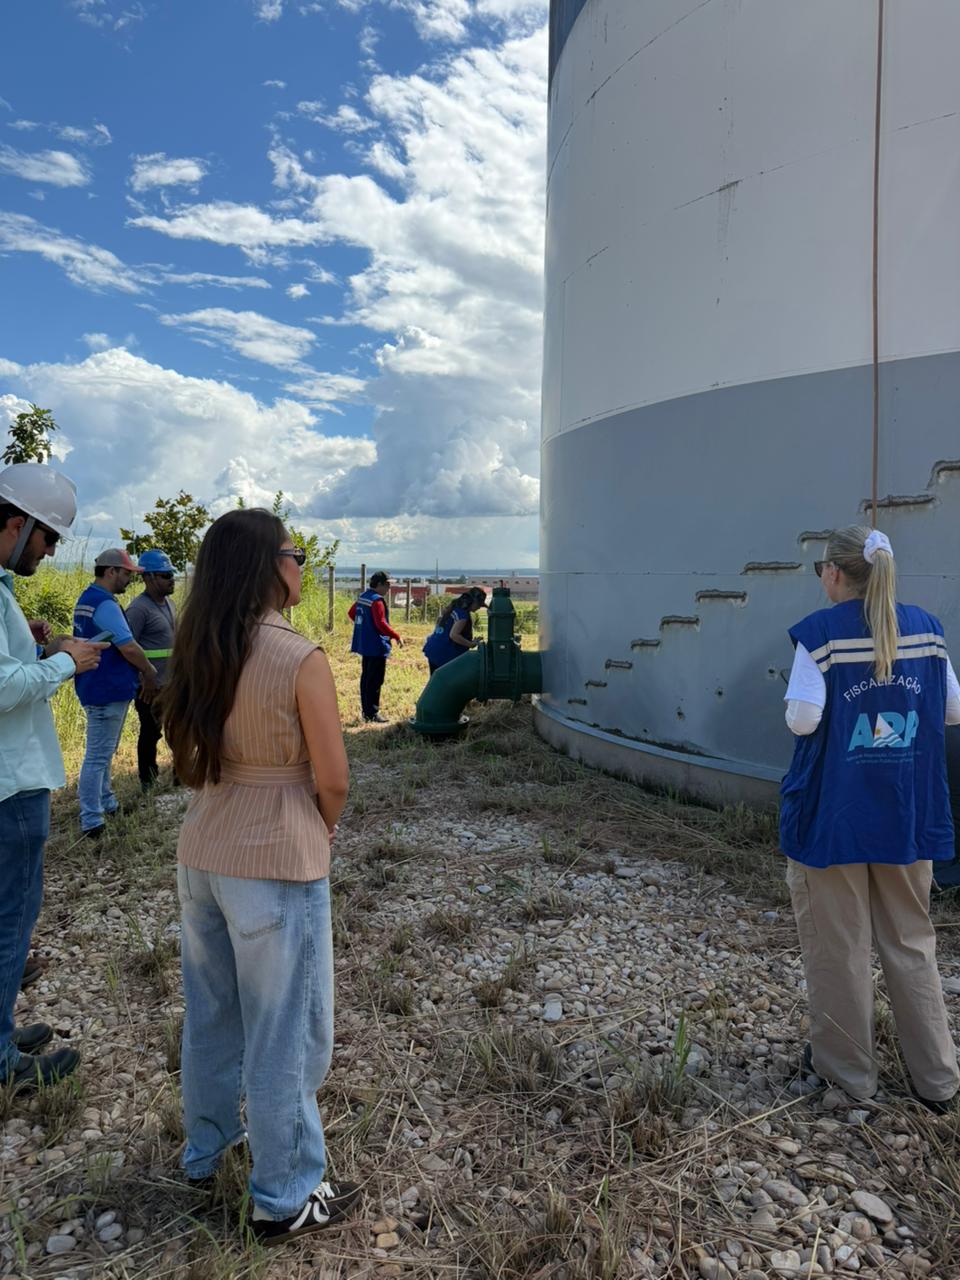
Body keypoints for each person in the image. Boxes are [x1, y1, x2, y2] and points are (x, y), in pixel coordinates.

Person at [163, 508, 359, 1246]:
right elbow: (332, 776)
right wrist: (325, 823)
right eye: (296, 553)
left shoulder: (198, 644)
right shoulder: (297, 657)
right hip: (277, 854)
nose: (302, 566)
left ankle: (206, 1152)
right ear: (271, 565)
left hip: (205, 844)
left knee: (212, 1015)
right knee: (288, 1032)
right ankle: (286, 1193)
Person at [780, 525, 960, 1111]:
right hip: (907, 814)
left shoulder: (821, 637)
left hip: (836, 815)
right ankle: (937, 1081)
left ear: (834, 573)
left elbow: (804, 721)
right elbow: (953, 711)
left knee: (840, 943)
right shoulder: (929, 633)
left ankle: (848, 1076)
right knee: (911, 940)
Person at [0, 463, 106, 1090]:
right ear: (16, 523)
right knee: (13, 915)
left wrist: (35, 649)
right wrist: (64, 662)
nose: (49, 551)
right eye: (47, 539)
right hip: (10, 785)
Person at [73, 549, 158, 838]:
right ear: (111, 572)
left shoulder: (86, 599)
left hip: (96, 685)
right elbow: (129, 646)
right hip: (107, 688)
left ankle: (107, 803)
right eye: (126, 574)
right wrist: (149, 671)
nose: (129, 580)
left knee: (103, 752)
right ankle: (92, 820)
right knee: (98, 756)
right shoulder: (105, 604)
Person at [125, 549, 177, 792]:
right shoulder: (138, 609)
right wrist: (144, 679)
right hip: (150, 687)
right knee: (150, 733)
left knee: (179, 731)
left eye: (171, 575)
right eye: (166, 575)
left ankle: (181, 774)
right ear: (149, 578)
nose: (171, 580)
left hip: (173, 684)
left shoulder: (170, 605)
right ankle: (148, 781)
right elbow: (127, 648)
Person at [348, 570, 403, 723]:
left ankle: (366, 712)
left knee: (366, 678)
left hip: (365, 645)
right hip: (376, 646)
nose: (389, 588)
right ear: (379, 584)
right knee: (375, 680)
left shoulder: (364, 597)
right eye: (387, 585)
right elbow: (381, 624)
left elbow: (352, 613)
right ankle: (372, 713)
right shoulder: (377, 601)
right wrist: (396, 635)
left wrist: (365, 626)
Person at [423, 587, 487, 674]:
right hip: (444, 655)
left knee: (436, 683)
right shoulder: (463, 615)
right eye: (479, 604)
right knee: (445, 685)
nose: (479, 607)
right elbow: (454, 635)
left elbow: (439, 621)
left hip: (435, 649)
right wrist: (471, 644)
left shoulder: (454, 607)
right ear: (473, 602)